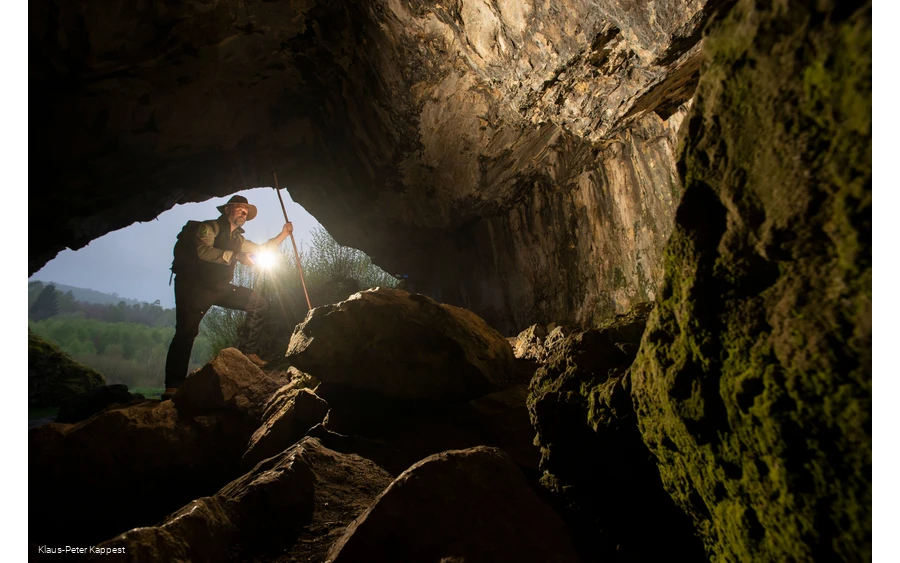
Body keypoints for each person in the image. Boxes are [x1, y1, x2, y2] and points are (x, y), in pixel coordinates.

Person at [163, 195, 293, 400]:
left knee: (258, 303)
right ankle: (172, 386)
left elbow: (262, 249)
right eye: (240, 208)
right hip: (194, 288)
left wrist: (283, 234)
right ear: (227, 210)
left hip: (219, 287)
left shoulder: (238, 239)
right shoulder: (208, 228)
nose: (244, 213)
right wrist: (236, 256)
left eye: (246, 211)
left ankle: (247, 352)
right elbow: (203, 251)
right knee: (186, 332)